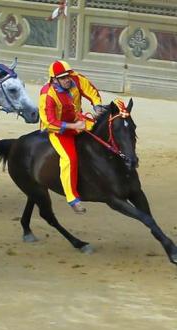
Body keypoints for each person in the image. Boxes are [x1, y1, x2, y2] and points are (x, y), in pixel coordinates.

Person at [39, 60, 103, 214]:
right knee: (69, 159)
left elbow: (91, 90)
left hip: (78, 120)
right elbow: (49, 122)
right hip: (58, 130)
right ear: (54, 79)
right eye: (62, 78)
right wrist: (74, 126)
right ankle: (72, 199)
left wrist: (97, 106)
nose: (67, 79)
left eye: (68, 76)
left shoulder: (76, 78)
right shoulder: (47, 94)